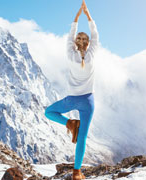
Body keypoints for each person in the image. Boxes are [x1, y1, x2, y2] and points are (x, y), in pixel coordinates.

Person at [45, 0, 98, 179]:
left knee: (49, 112)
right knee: (82, 138)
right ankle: (77, 172)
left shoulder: (70, 54)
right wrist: (88, 15)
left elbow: (70, 36)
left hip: (72, 99)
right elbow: (96, 35)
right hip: (88, 102)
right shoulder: (91, 55)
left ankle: (69, 123)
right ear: (88, 44)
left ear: (76, 43)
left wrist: (76, 17)